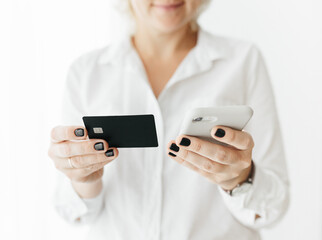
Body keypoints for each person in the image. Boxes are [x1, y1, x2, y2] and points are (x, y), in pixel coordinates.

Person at [47, 0, 289, 239]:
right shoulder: (86, 73)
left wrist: (239, 179)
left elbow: (273, 208)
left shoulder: (243, 61)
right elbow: (72, 212)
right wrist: (82, 177)